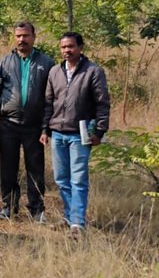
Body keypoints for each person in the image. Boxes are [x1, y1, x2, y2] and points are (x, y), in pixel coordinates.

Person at [0, 21, 55, 222]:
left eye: (26, 35)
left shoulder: (46, 64)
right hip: (8, 124)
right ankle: (9, 206)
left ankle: (37, 209)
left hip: (34, 126)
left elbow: (51, 98)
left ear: (34, 36)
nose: (22, 39)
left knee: (35, 168)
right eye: (18, 36)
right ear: (14, 37)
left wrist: (46, 126)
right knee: (8, 167)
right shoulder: (4, 62)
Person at [41, 31, 111, 233]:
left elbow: (102, 103)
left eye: (71, 46)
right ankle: (70, 217)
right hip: (58, 133)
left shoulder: (93, 71)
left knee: (78, 178)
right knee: (61, 178)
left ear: (80, 48)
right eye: (63, 47)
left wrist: (99, 130)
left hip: (80, 135)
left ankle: (77, 223)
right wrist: (45, 128)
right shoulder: (55, 71)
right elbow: (48, 103)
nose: (67, 51)